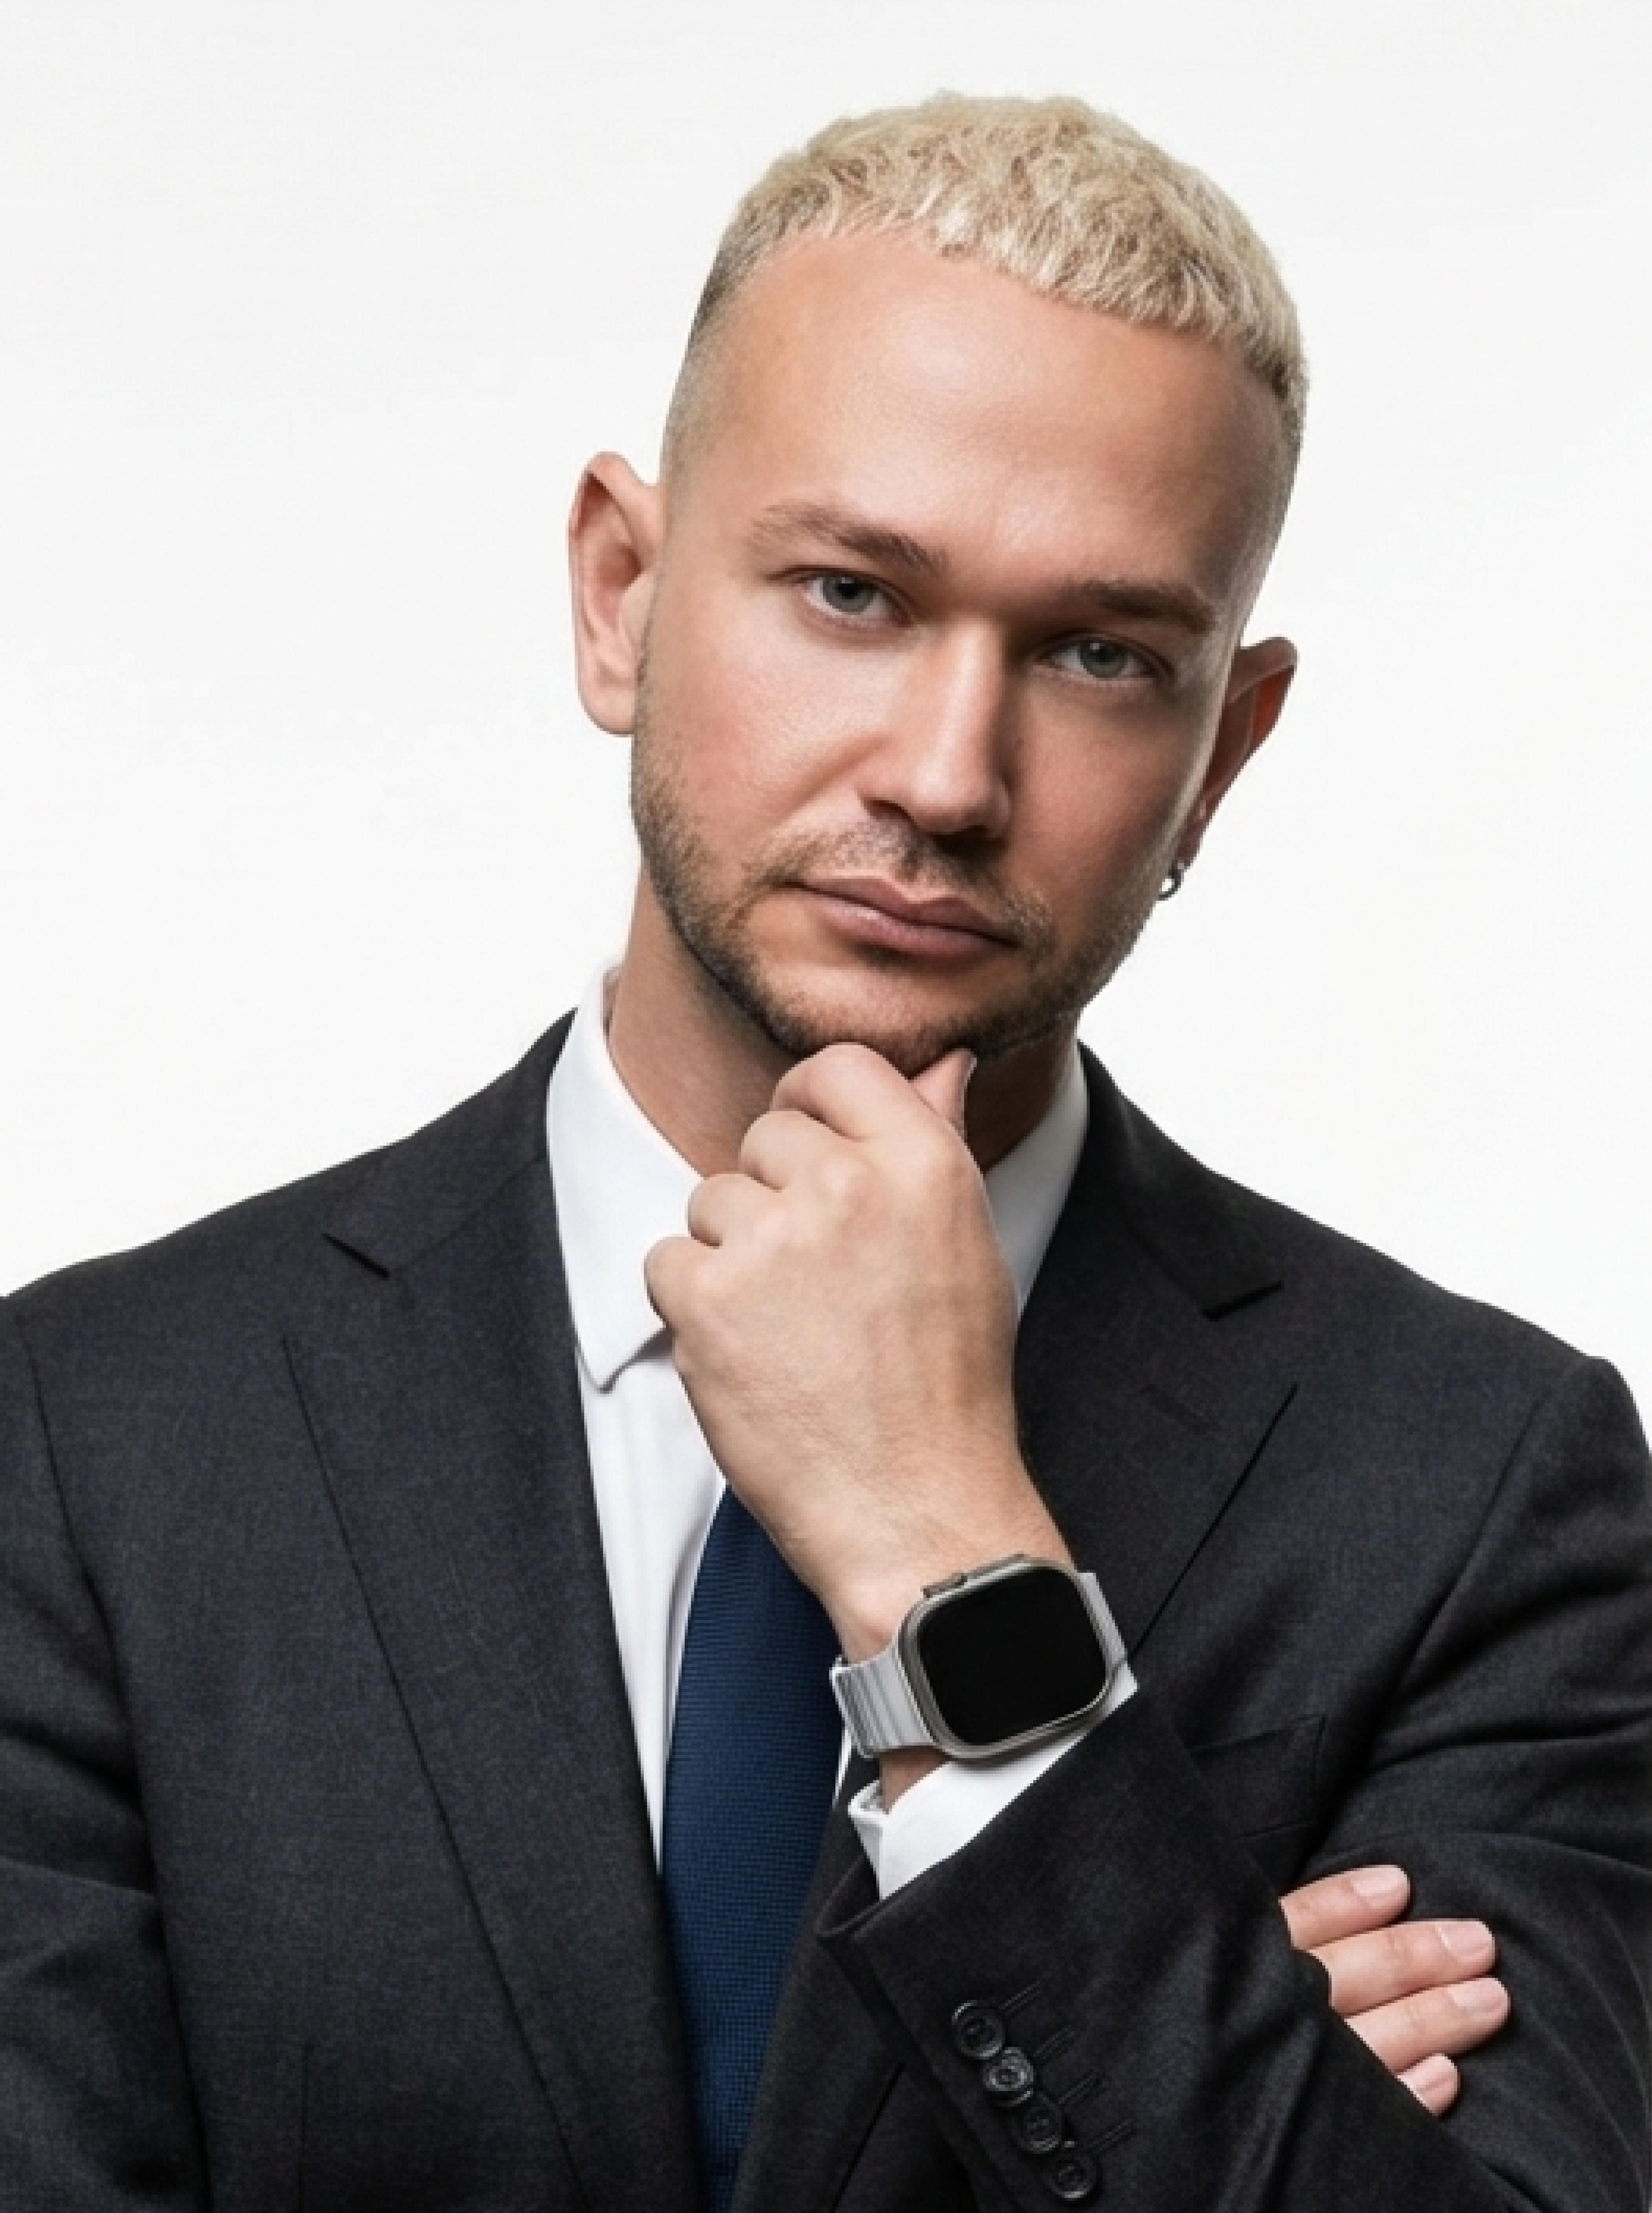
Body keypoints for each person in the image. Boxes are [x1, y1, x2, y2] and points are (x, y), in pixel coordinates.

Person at [0, 92, 1648, 2213]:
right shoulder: (88, 1445)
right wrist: (1196, 2026)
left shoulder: (1485, 1491)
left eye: (1097, 653)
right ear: (620, 591)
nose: (950, 771)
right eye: (854, 592)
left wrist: (947, 1559)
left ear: (1219, 753)